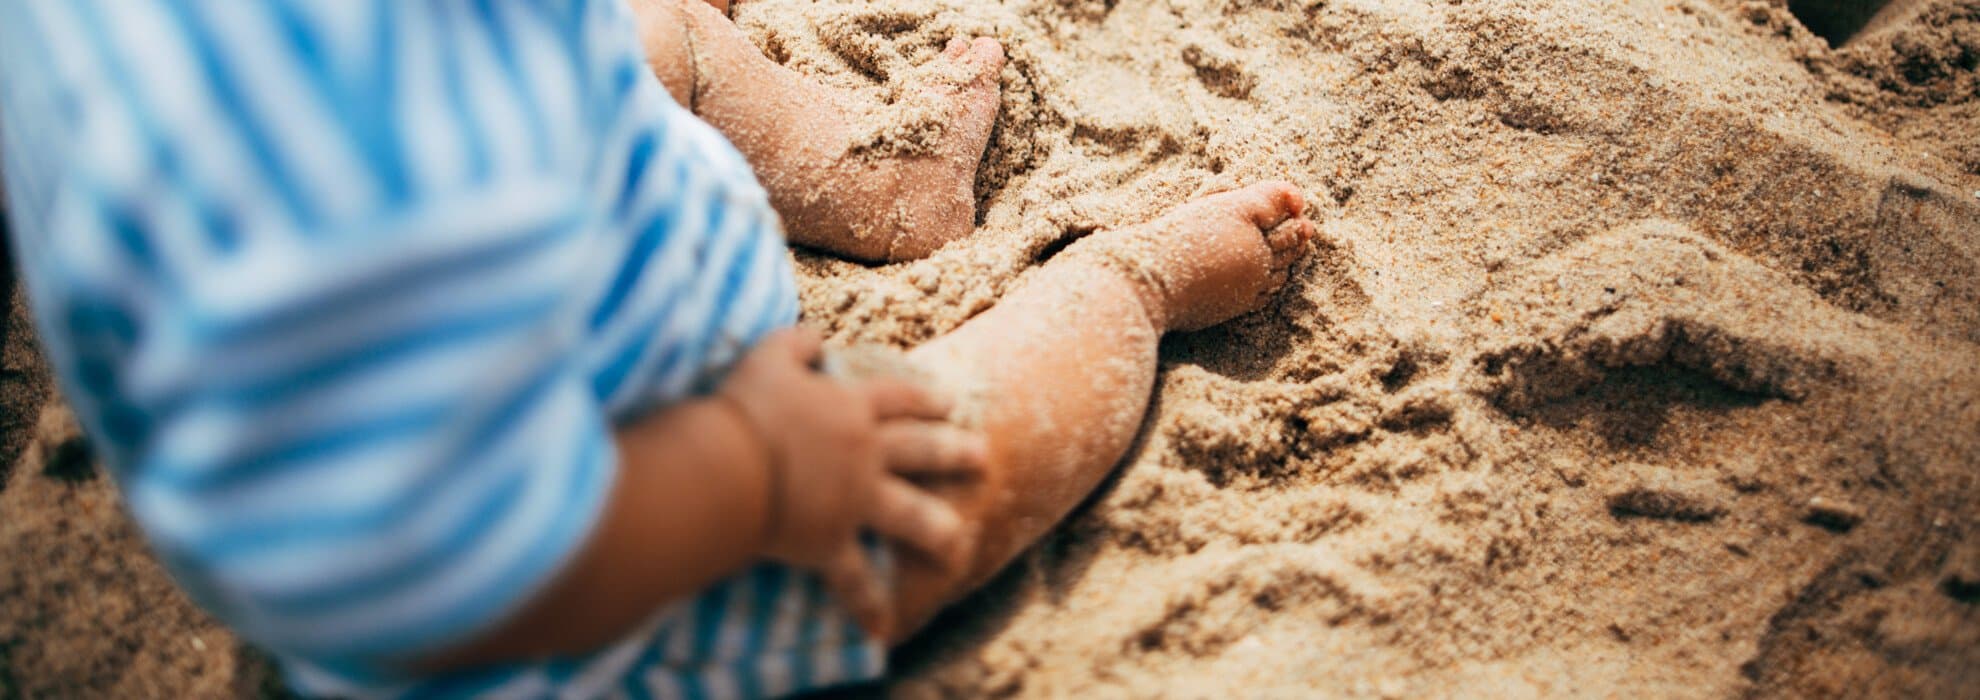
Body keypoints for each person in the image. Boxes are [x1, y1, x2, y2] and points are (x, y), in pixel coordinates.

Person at [0, 1, 1314, 697]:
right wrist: (752, 465)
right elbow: (443, 567)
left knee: (659, 28)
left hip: (590, 236)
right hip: (612, 569)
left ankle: (875, 185)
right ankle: (1127, 291)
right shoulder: (319, 199)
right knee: (932, 483)